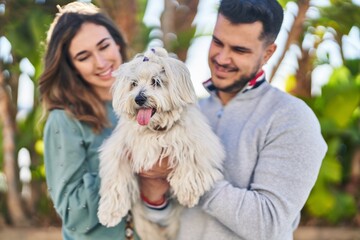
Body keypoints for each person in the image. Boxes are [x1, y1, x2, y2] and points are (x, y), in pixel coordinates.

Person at [174, 0, 328, 239]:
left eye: (239, 50)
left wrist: (187, 175)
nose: (222, 58)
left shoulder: (292, 118)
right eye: (217, 42)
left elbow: (269, 223)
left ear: (268, 53)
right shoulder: (191, 111)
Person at [38, 2, 171, 239]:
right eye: (83, 56)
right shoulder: (64, 121)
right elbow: (75, 218)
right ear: (71, 67)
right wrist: (124, 159)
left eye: (104, 46)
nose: (100, 63)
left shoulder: (153, 105)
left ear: (117, 42)